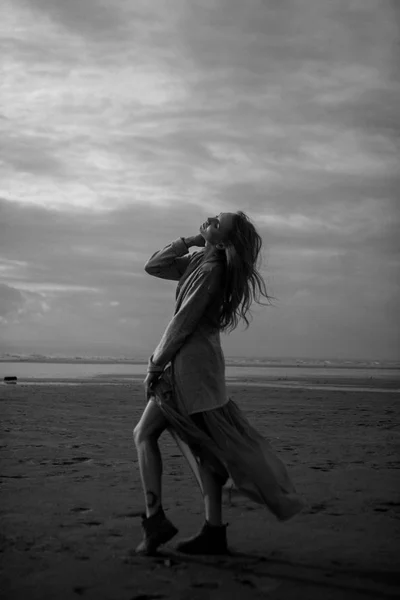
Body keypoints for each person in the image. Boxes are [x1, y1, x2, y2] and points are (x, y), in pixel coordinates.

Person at [133, 211, 305, 556]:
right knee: (198, 447)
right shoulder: (201, 261)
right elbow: (155, 266)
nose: (208, 219)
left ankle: (157, 522)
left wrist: (155, 364)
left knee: (145, 434)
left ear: (223, 239)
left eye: (216, 223)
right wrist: (191, 241)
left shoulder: (211, 270)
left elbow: (184, 321)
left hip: (189, 367)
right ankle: (211, 531)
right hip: (196, 365)